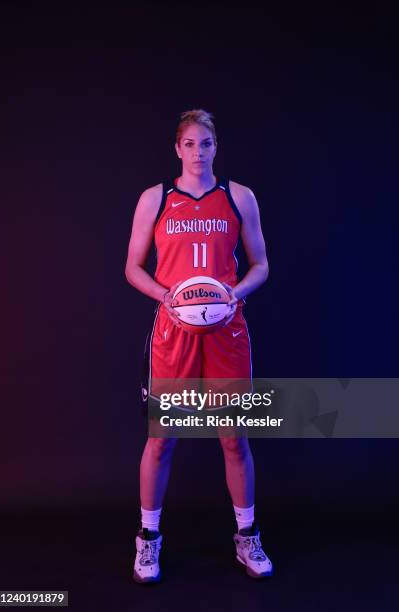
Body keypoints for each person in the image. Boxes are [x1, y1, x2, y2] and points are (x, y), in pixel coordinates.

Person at [125, 109, 273, 583]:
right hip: (173, 331)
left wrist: (235, 293)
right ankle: (148, 542)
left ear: (216, 147)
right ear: (176, 148)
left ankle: (247, 537)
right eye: (188, 144)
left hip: (227, 331)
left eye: (205, 144)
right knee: (162, 439)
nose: (197, 152)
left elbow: (261, 265)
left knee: (233, 438)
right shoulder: (156, 199)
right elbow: (133, 267)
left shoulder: (239, 197)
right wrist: (164, 295)